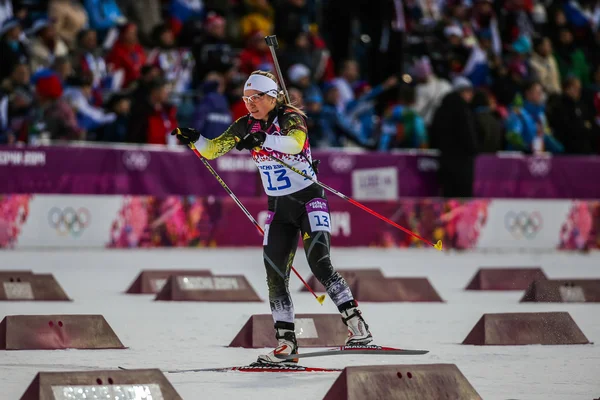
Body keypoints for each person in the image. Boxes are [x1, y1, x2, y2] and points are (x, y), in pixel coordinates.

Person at [171, 70, 373, 365]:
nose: (249, 103)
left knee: (320, 263)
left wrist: (262, 140)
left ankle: (357, 326)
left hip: (309, 200)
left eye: (255, 98)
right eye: (246, 98)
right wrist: (195, 138)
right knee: (275, 276)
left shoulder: (291, 117)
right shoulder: (245, 124)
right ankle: (286, 344)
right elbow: (214, 149)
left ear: (271, 97)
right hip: (279, 209)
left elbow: (295, 143)